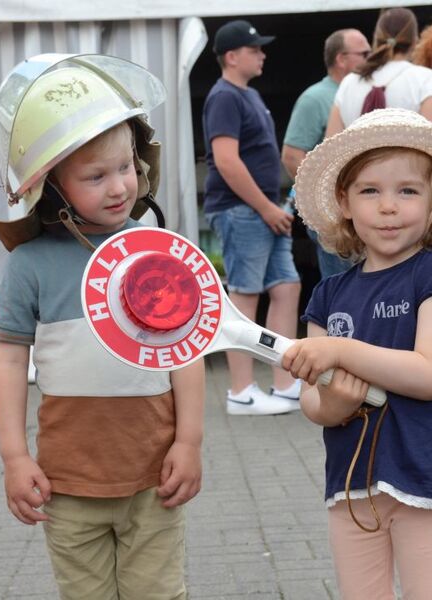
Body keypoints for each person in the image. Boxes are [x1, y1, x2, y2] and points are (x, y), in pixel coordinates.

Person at [0, 54, 205, 600]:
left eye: (127, 166)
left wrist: (191, 441)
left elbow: (187, 351)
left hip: (154, 481)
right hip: (68, 487)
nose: (119, 186)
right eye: (95, 175)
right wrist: (15, 458)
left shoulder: (156, 252)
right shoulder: (30, 264)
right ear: (51, 187)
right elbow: (10, 360)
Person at [289, 108, 432, 599]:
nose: (388, 207)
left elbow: (428, 372)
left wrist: (340, 349)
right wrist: (331, 406)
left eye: (408, 190)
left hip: (425, 483)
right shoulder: (327, 296)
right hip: (351, 487)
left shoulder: (427, 276)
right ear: (344, 201)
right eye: (370, 190)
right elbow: (311, 398)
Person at [202, 19, 301, 415]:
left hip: (262, 210)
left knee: (287, 288)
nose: (262, 54)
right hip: (243, 211)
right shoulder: (224, 97)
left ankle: (284, 382)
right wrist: (265, 207)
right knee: (244, 296)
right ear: (232, 56)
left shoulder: (247, 94)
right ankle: (240, 392)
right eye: (255, 48)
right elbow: (226, 161)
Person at [282, 28, 371, 279]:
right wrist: (324, 201)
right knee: (343, 287)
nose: (371, 58)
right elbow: (291, 156)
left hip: (360, 211)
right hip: (335, 217)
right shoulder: (315, 98)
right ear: (341, 59)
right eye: (364, 53)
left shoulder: (360, 92)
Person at [326, 7, 432, 136]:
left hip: (360, 156)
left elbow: (331, 142)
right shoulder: (425, 79)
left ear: (376, 39)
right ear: (415, 41)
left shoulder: (350, 82)